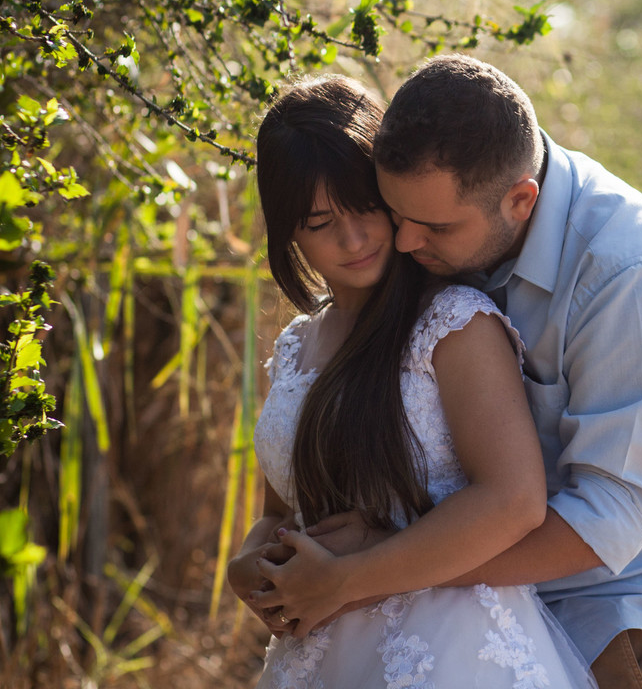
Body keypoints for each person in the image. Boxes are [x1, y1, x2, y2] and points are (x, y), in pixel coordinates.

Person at [271, 54, 642, 688]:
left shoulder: (631, 273)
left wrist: (372, 568)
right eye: (396, 213)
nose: (402, 244)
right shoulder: (454, 221)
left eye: (432, 226)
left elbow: (609, 521)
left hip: (622, 609)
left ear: (522, 201)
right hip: (476, 605)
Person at [226, 74, 597, 689]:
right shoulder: (297, 344)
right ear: (288, 229)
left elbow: (514, 500)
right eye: (320, 222)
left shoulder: (452, 322)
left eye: (366, 207)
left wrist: (348, 576)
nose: (354, 238)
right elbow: (286, 512)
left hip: (449, 651)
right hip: (320, 653)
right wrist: (250, 563)